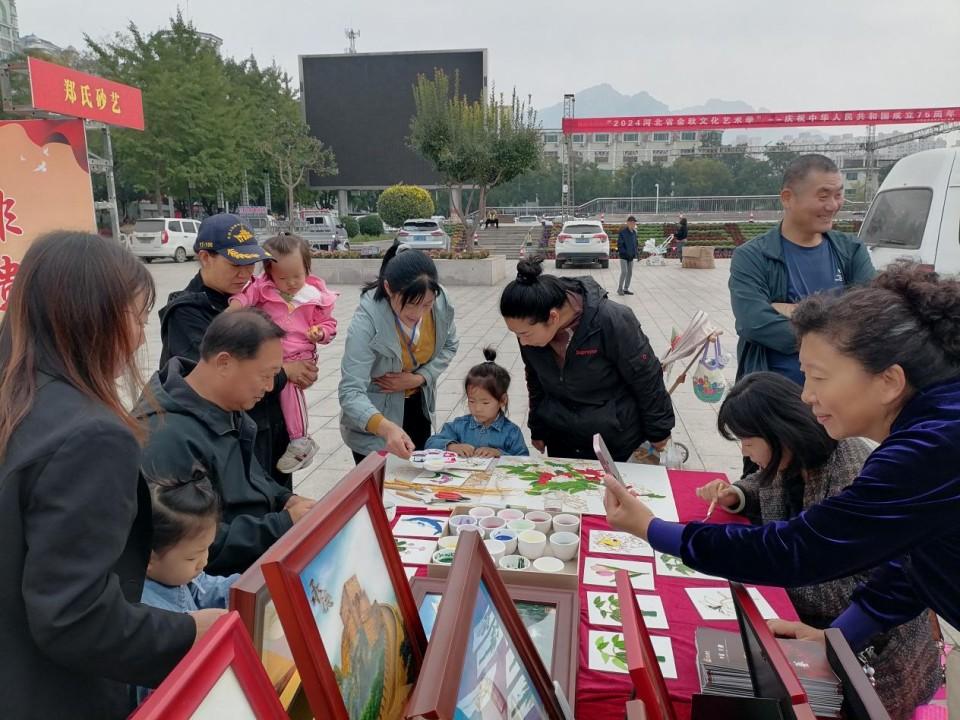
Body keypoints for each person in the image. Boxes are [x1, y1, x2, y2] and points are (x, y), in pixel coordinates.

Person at [602, 264, 960, 668]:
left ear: (889, 381)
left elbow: (798, 549)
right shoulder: (937, 427)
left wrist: (653, 529)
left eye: (818, 378)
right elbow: (911, 560)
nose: (806, 396)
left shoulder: (931, 448)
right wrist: (839, 637)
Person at [0, 232, 215, 719]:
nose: (139, 337)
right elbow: (73, 616)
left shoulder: (18, 399)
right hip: (48, 693)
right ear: (91, 317)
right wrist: (188, 633)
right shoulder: (90, 436)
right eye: (136, 317)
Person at [696, 372, 939, 718]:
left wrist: (762, 560)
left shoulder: (851, 473)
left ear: (779, 432)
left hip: (876, 656)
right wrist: (736, 495)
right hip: (823, 630)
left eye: (747, 441)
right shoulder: (793, 458)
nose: (744, 451)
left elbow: (851, 588)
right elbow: (763, 484)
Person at [138, 310, 316, 576]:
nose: (270, 387)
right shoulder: (166, 437)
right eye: (265, 375)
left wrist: (285, 499)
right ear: (224, 363)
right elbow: (185, 542)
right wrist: (282, 524)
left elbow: (253, 478)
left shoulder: (225, 403)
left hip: (257, 560)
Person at [158, 213, 319, 489]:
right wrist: (285, 372)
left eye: (250, 264)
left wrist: (302, 362)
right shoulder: (188, 314)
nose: (245, 274)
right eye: (235, 264)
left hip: (270, 432)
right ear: (205, 258)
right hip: (229, 442)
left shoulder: (254, 298)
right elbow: (213, 380)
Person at [500, 257, 674, 461]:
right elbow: (535, 379)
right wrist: (538, 427)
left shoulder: (611, 320)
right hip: (562, 439)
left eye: (524, 334)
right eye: (516, 334)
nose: (522, 341)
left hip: (615, 440)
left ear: (553, 317)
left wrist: (659, 430)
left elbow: (646, 377)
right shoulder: (529, 331)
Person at [730, 154, 875, 387]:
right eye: (823, 196)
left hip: (843, 394)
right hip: (777, 396)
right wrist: (838, 326)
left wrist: (793, 311)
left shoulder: (851, 250)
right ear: (787, 198)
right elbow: (754, 323)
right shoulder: (753, 256)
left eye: (838, 195)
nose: (833, 205)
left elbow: (871, 317)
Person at [228, 234, 338, 473]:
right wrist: (235, 306)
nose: (291, 283)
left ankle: (301, 440)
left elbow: (329, 324)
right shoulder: (263, 289)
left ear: (307, 268)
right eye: (283, 278)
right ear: (269, 273)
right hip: (271, 355)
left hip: (299, 354)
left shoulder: (314, 296)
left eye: (298, 275)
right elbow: (247, 295)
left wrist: (320, 333)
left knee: (290, 391)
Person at [339, 242, 459, 463]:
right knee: (383, 484)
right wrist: (385, 428)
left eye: (427, 304)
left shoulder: (441, 303)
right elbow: (350, 391)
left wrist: (420, 377)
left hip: (418, 409)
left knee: (417, 481)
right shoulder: (367, 321)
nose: (418, 313)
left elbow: (450, 345)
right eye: (410, 304)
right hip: (375, 420)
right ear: (388, 288)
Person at [136, 466, 240, 704]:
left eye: (207, 549)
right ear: (149, 558)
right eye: (192, 557)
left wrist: (249, 587)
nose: (204, 561)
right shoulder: (146, 613)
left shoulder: (176, 574)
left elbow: (210, 588)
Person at [425, 348, 529, 458]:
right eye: (472, 401)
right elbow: (430, 444)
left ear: (502, 400)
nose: (477, 408)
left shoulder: (511, 432)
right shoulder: (459, 426)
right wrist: (452, 446)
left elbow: (524, 459)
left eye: (485, 403)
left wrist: (499, 454)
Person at [616, 216, 638, 296]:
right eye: (632, 222)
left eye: (634, 222)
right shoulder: (623, 233)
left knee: (630, 273)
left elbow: (635, 244)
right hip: (624, 256)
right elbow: (620, 244)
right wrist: (624, 253)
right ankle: (619, 289)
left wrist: (636, 253)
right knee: (624, 272)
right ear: (628, 223)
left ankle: (626, 289)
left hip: (631, 256)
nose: (633, 224)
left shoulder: (634, 233)